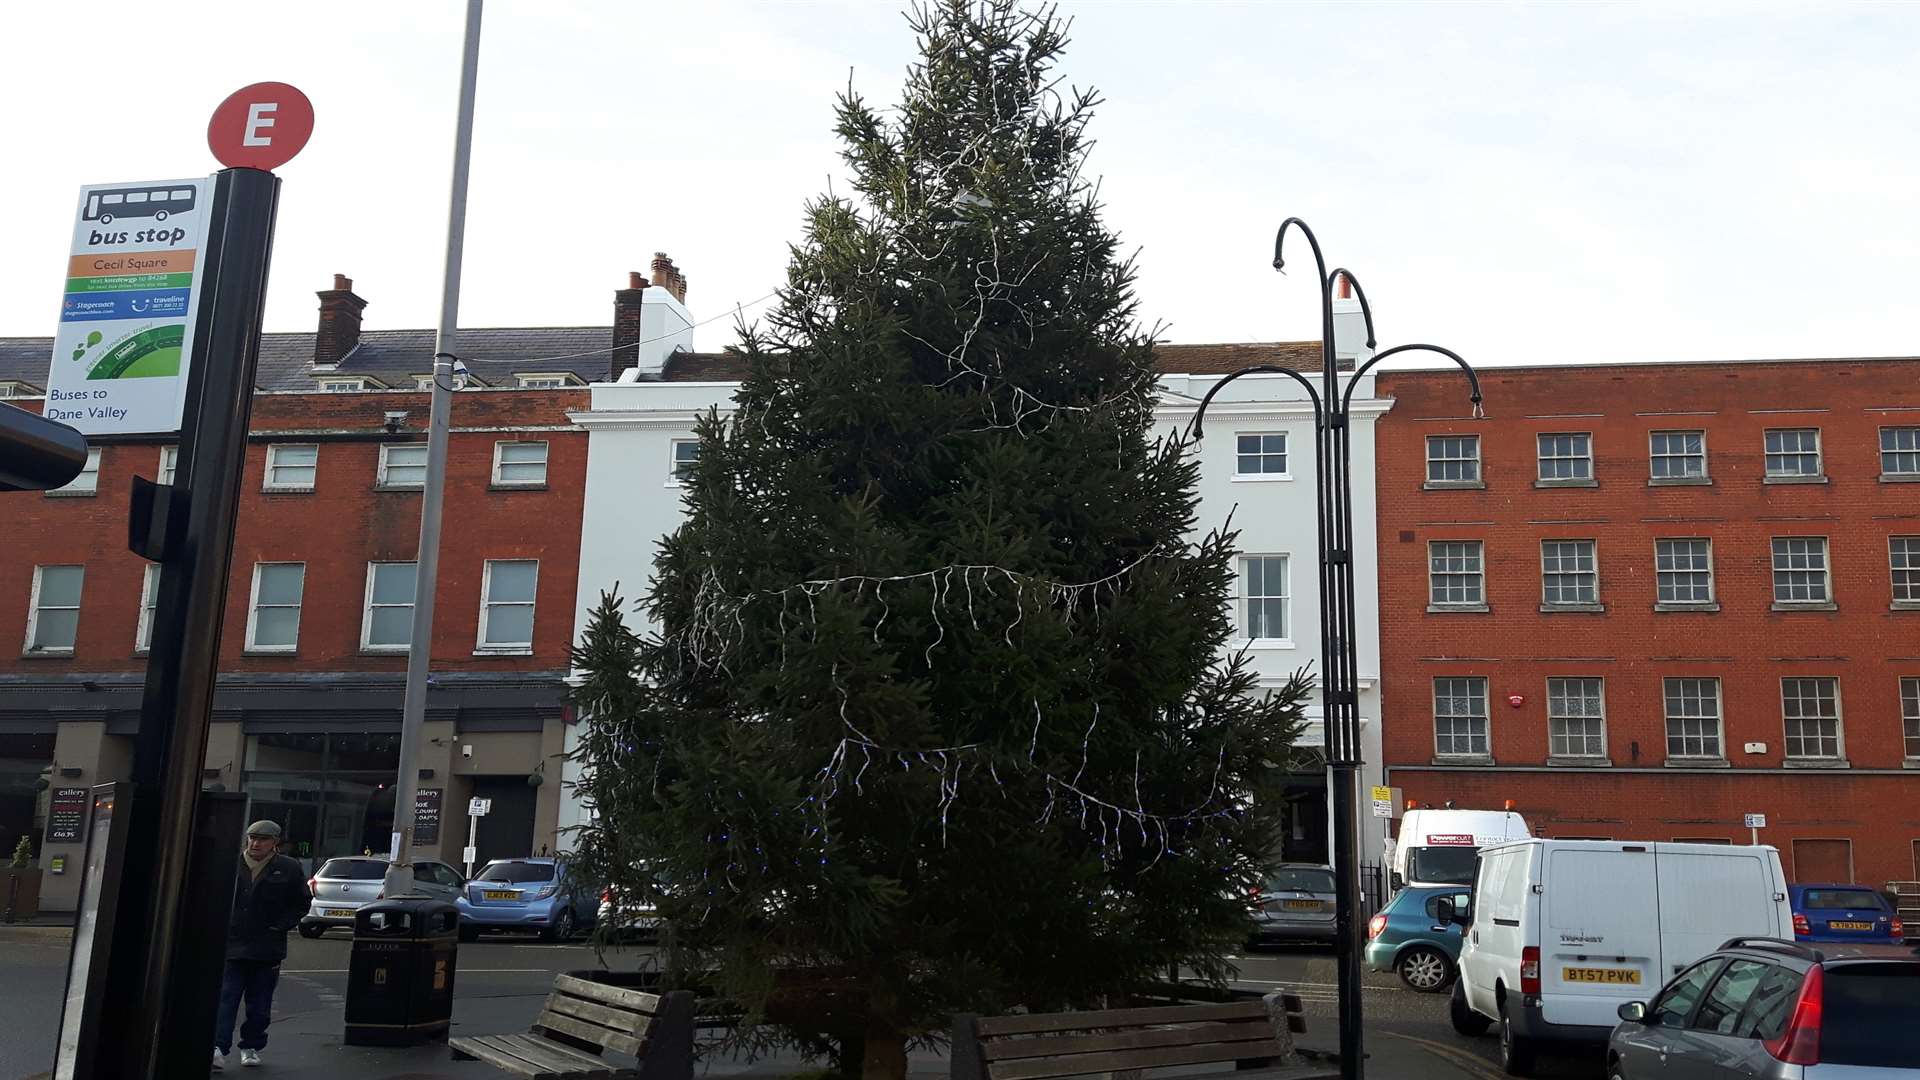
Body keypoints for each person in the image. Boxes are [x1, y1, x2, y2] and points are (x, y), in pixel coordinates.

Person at [214, 821, 311, 1070]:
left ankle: (251, 1046)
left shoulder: (288, 868)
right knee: (226, 999)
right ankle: (217, 1047)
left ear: (274, 843)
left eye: (262, 839)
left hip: (266, 948)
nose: (255, 843)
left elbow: (301, 903)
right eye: (252, 838)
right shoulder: (232, 863)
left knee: (259, 1004)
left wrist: (279, 927)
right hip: (233, 945)